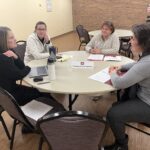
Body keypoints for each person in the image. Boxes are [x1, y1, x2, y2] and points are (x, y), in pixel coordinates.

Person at [0, 26, 65, 133]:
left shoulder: (7, 52)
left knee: (40, 92)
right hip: (11, 95)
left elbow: (20, 67)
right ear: (2, 40)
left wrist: (15, 57)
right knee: (43, 93)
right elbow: (21, 73)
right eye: (11, 37)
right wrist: (28, 68)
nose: (15, 39)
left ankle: (35, 121)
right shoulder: (3, 58)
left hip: (8, 92)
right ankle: (55, 119)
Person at [101, 23, 150, 150]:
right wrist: (121, 67)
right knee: (117, 105)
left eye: (133, 38)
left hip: (147, 103)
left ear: (143, 42)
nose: (130, 40)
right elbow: (137, 65)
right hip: (145, 97)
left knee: (113, 113)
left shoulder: (147, 63)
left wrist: (112, 72)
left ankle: (122, 145)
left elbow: (118, 83)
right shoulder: (146, 56)